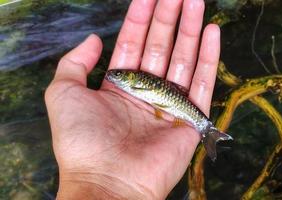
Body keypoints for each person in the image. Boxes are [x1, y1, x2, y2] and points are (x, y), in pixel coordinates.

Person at [44, 0, 219, 199]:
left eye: (118, 75)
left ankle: (206, 128)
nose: (114, 76)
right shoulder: (132, 82)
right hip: (172, 107)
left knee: (195, 118)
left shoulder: (134, 82)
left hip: (174, 107)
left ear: (129, 79)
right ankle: (206, 128)